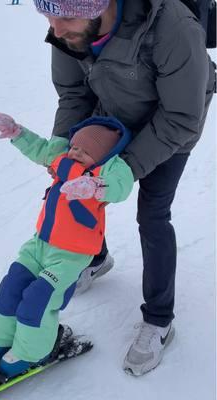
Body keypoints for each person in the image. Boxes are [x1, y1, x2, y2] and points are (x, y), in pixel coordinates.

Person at [32, 0, 216, 376]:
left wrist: (124, 170)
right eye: (48, 16)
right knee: (75, 187)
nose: (56, 29)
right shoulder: (68, 29)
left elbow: (181, 116)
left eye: (65, 16)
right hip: (111, 111)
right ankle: (96, 257)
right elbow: (73, 93)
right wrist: (61, 150)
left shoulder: (173, 27)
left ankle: (159, 320)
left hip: (173, 124)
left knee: (152, 214)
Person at [0, 112, 133, 385]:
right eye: (74, 146)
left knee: (38, 298)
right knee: (11, 287)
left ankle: (31, 352)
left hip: (70, 256)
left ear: (99, 158)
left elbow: (122, 186)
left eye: (84, 152)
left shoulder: (103, 174)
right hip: (39, 244)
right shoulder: (65, 162)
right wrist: (16, 132)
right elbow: (41, 149)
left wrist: (96, 187)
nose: (74, 153)